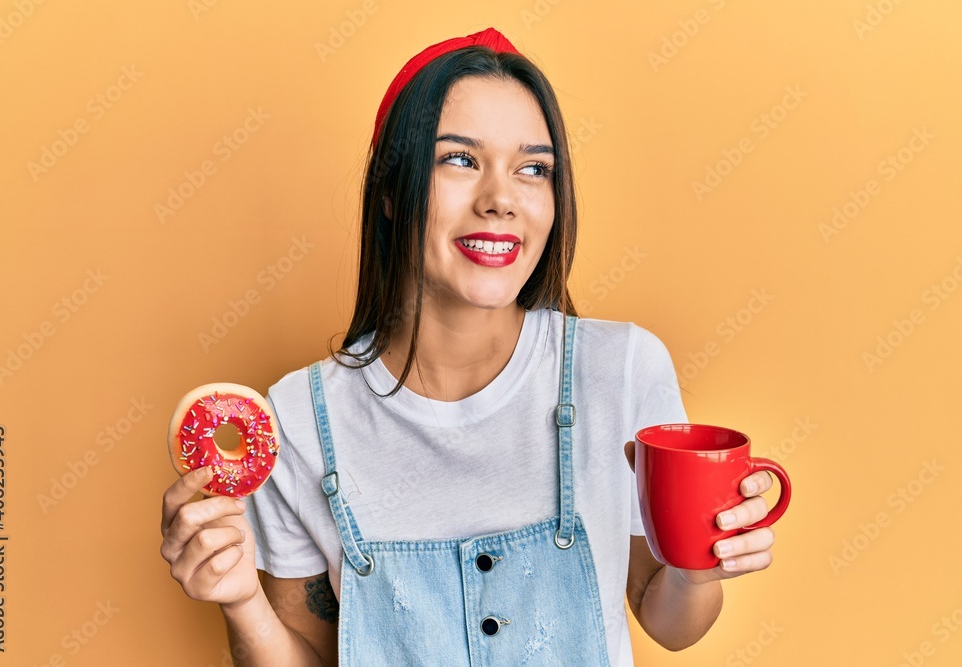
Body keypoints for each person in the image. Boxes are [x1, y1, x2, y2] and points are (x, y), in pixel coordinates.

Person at [160, 27, 778, 666]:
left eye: (532, 169)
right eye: (459, 159)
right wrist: (240, 602)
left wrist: (699, 570)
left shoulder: (619, 370)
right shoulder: (296, 419)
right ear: (393, 191)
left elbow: (668, 618)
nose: (501, 200)